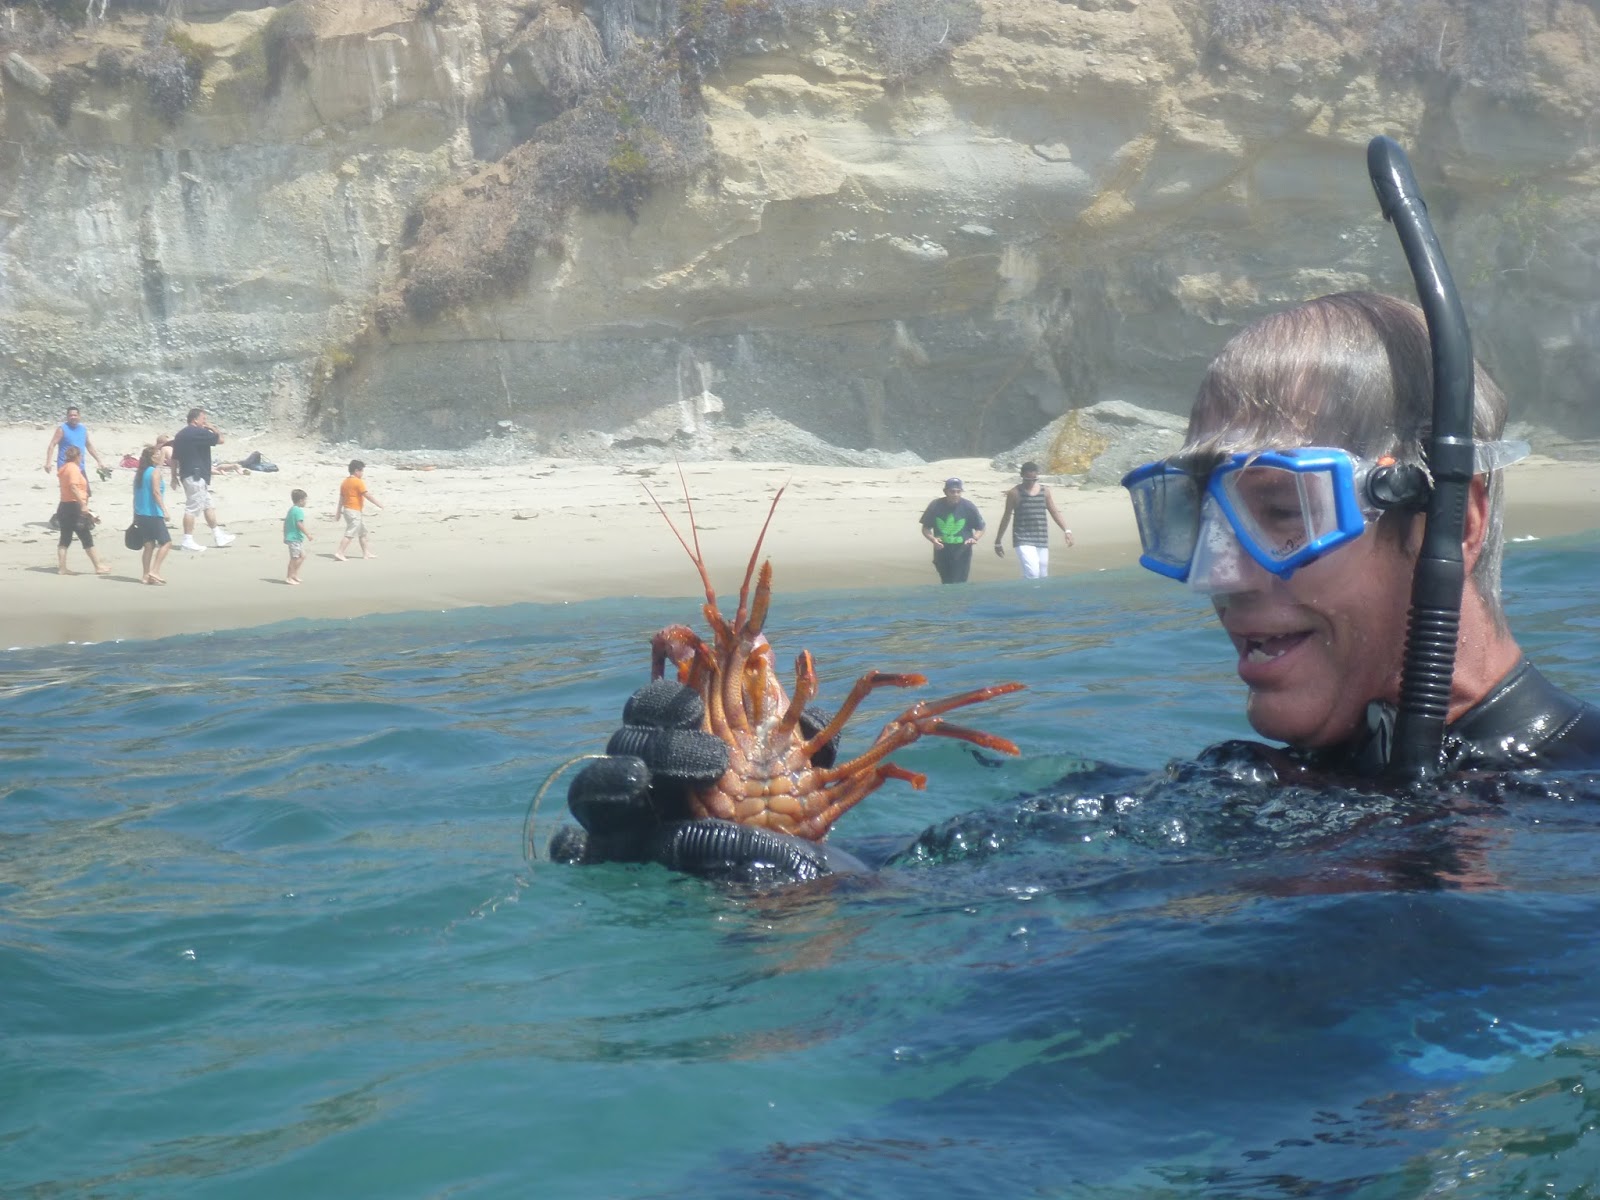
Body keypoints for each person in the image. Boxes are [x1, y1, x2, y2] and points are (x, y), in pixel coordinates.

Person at [552, 291, 1600, 885]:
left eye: (1282, 511)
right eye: (1192, 519)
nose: (1219, 574)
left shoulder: (1575, 805)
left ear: (1453, 522)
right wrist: (769, 854)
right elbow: (951, 891)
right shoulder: (1243, 788)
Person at [992, 461, 1073, 578]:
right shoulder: (1014, 493)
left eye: (1034, 479)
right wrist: (998, 541)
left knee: (1043, 575)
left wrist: (1066, 530)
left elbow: (1054, 512)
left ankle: (1031, 590)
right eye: (1027, 479)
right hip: (1022, 538)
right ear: (1021, 476)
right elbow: (1006, 516)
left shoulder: (1045, 491)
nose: (1031, 482)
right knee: (1033, 573)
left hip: (1041, 537)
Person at [171, 407, 236, 552]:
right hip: (196, 475)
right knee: (192, 507)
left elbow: (174, 458)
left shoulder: (180, 435)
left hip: (187, 474)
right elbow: (221, 440)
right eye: (203, 419)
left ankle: (218, 535)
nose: (205, 422)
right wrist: (212, 428)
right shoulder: (198, 432)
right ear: (195, 420)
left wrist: (173, 476)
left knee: (207, 505)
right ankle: (187, 540)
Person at [43, 407, 109, 530]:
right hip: (66, 467)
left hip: (80, 466)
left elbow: (88, 445)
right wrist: (48, 462)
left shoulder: (83, 429)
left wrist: (99, 461)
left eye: (75, 415)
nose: (73, 417)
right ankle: (61, 518)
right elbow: (52, 444)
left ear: (79, 416)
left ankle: (80, 516)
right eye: (70, 415)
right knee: (69, 493)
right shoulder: (62, 429)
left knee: (85, 492)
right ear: (67, 417)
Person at [54, 445, 111, 577]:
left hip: (64, 505)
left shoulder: (64, 468)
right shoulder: (73, 468)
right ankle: (98, 566)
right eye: (81, 456)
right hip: (74, 506)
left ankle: (62, 568)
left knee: (65, 538)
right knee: (86, 536)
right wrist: (83, 505)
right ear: (78, 457)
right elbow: (73, 487)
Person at [919, 477, 985, 584]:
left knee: (959, 582)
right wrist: (933, 539)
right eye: (952, 491)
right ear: (945, 492)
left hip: (962, 550)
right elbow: (925, 528)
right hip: (941, 550)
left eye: (958, 492)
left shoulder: (968, 506)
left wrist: (974, 538)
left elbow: (980, 527)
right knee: (946, 582)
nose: (955, 494)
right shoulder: (935, 505)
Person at [131, 444, 173, 585]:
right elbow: (156, 492)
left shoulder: (140, 473)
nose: (162, 457)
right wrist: (164, 510)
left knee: (149, 545)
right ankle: (154, 571)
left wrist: (135, 515)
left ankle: (145, 576)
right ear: (152, 458)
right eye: (158, 454)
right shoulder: (154, 472)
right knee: (166, 543)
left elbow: (135, 496)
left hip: (141, 514)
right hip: (153, 514)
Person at [333, 460, 383, 561]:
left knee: (362, 532)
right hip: (353, 511)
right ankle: (340, 552)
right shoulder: (358, 481)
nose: (362, 473)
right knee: (350, 532)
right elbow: (367, 495)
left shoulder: (345, 482)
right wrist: (378, 504)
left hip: (348, 511)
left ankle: (366, 553)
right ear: (356, 471)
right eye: (362, 471)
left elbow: (341, 499)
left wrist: (338, 512)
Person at [284, 489, 313, 584]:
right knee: (294, 558)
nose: (306, 502)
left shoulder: (292, 509)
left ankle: (294, 574)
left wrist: (285, 535)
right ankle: (289, 577)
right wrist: (308, 534)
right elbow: (299, 524)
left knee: (302, 556)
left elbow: (286, 523)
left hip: (295, 538)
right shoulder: (298, 511)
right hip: (294, 538)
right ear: (301, 500)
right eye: (305, 500)